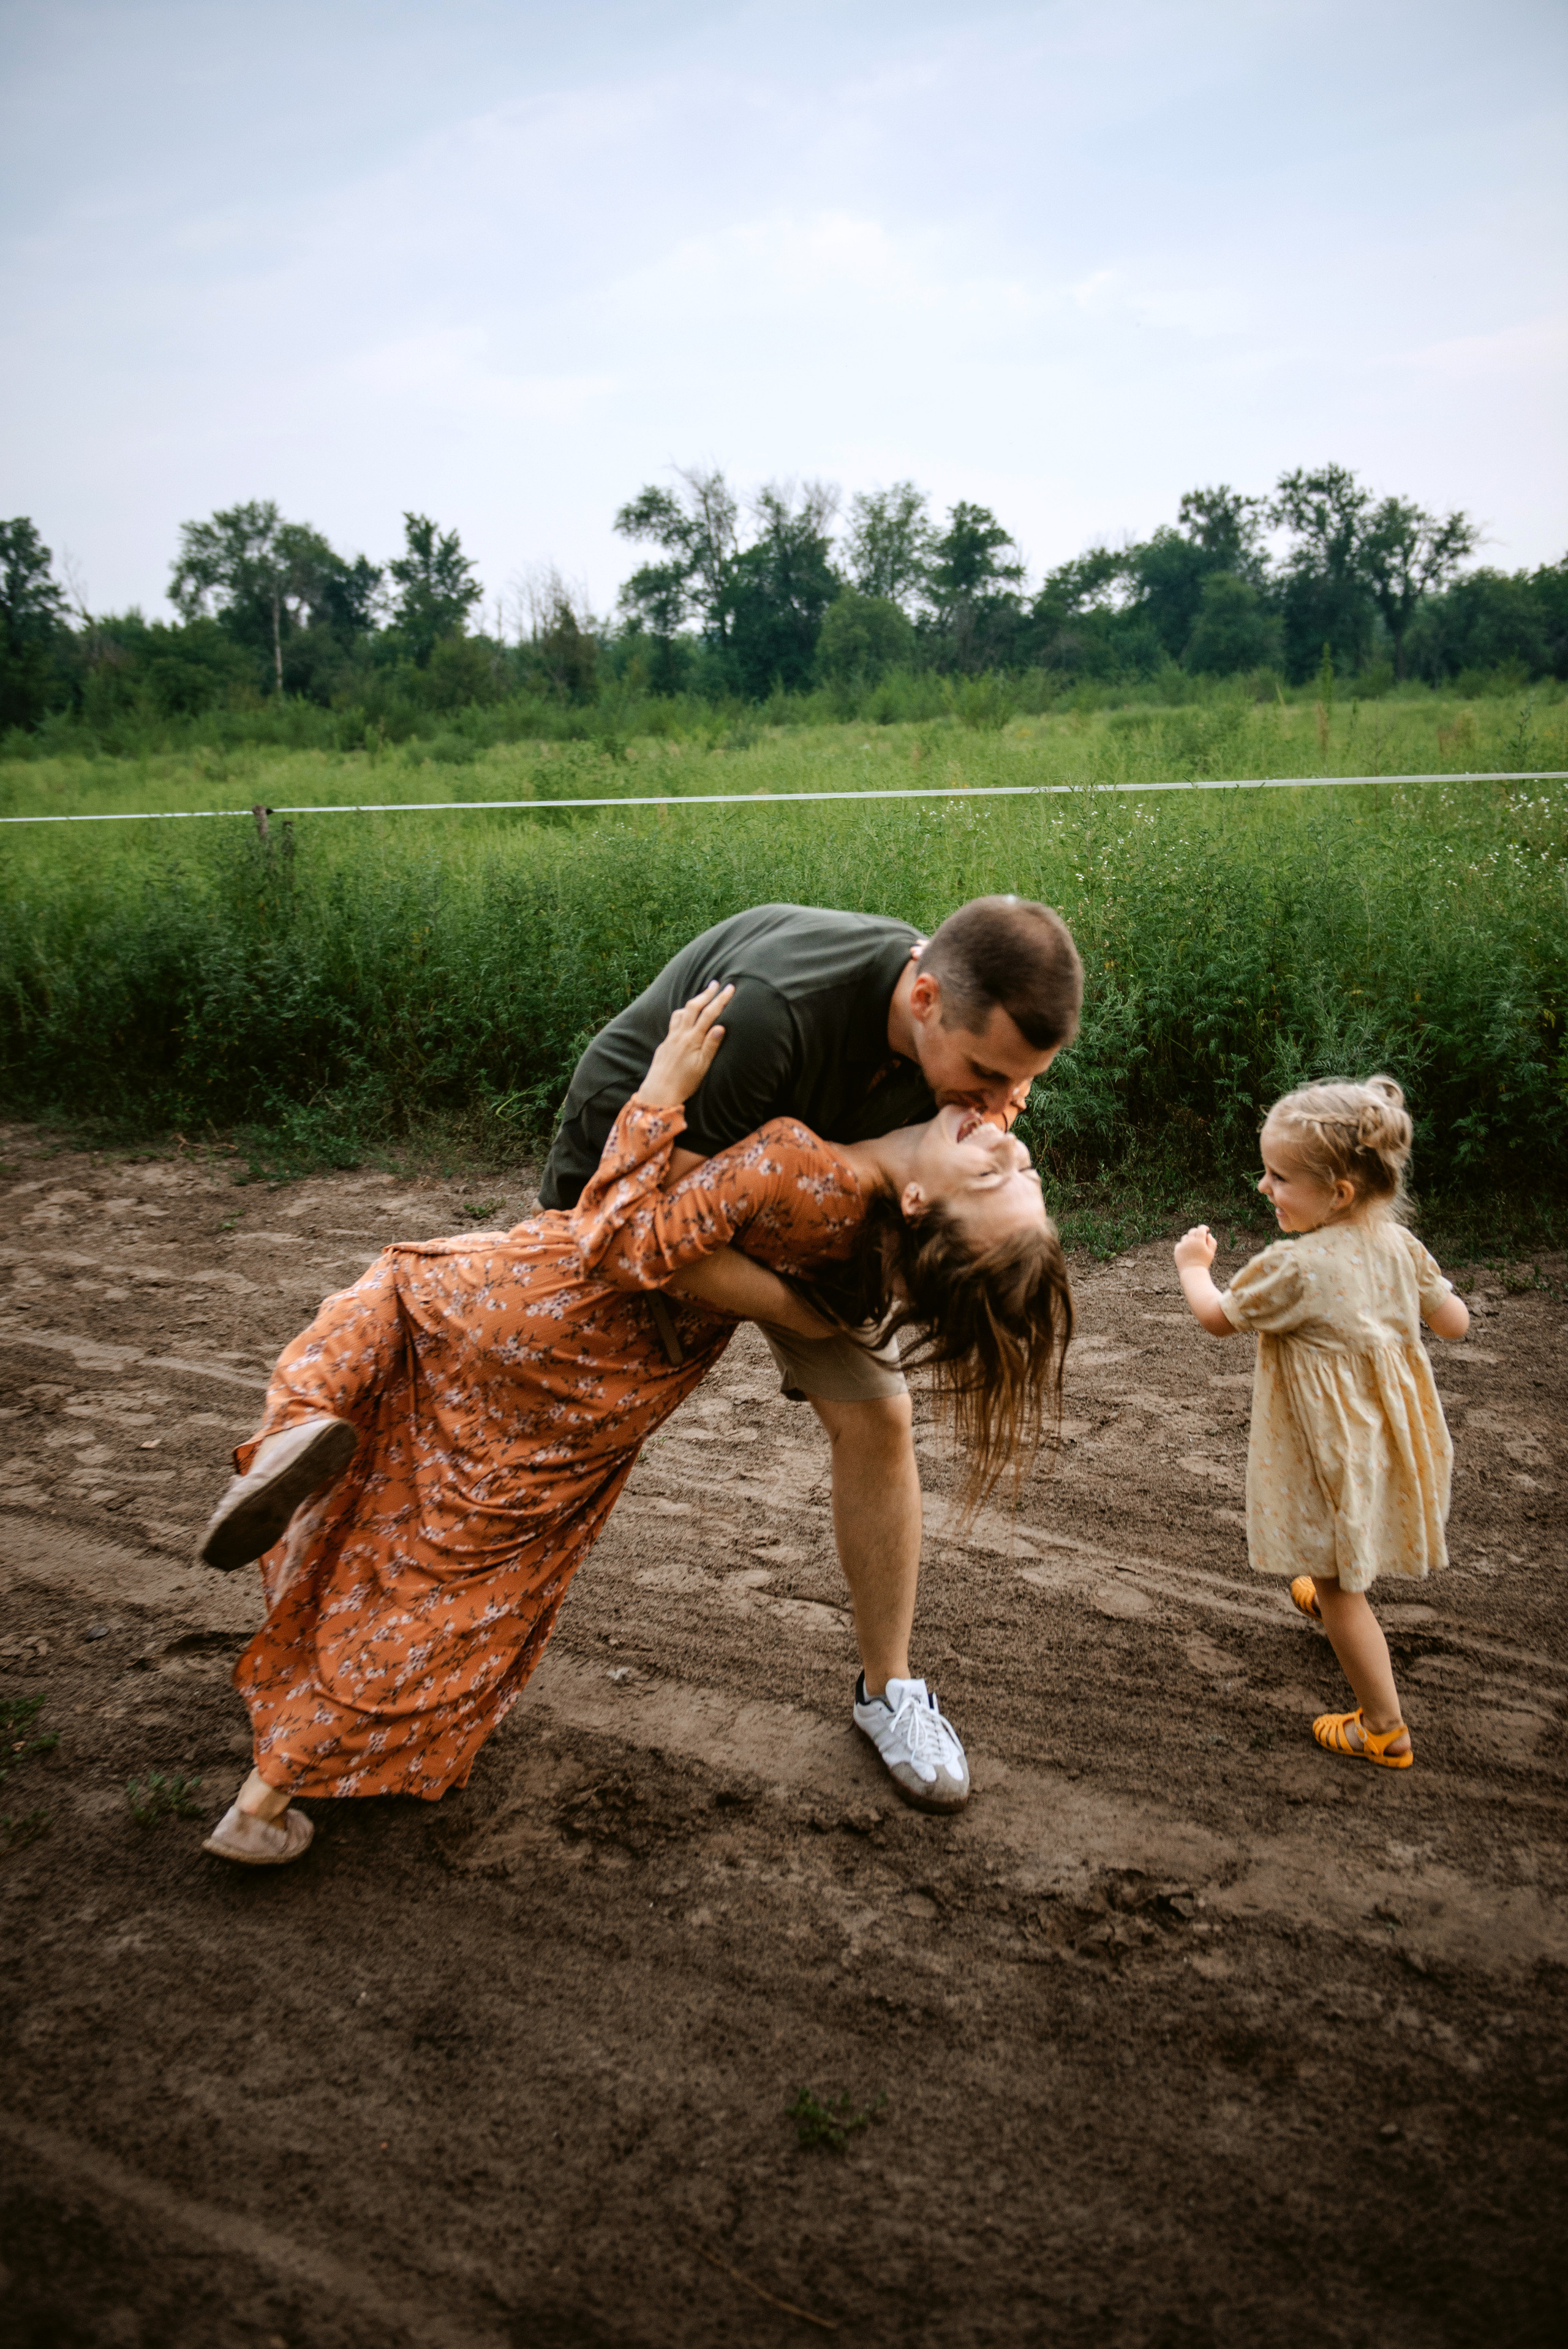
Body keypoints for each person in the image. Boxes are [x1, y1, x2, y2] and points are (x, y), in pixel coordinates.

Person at [196, 985, 1072, 1866]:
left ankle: (300, 1421)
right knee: (454, 1570)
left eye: (998, 1174)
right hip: (616, 1393)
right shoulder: (866, 1270)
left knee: (385, 1301)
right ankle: (268, 1792)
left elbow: (613, 1237)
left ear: (921, 1204)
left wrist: (657, 1094)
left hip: (537, 1303)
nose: (1005, 1137)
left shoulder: (790, 1156)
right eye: (1024, 1164)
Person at [537, 896, 1083, 1806]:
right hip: (639, 1189)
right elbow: (668, 1227)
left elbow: (915, 1182)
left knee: (879, 1417)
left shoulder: (969, 1048)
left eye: (1020, 1084)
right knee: (555, 1430)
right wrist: (813, 1311)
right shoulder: (773, 1010)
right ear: (923, 995)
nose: (1000, 1108)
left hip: (809, 1205)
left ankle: (891, 1691)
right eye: (986, 1075)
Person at [1172, 1075, 1469, 1769]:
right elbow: (1453, 1323)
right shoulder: (1400, 1245)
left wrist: (1192, 1267)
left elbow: (1217, 1320)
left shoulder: (1294, 1267)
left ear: (1337, 1191)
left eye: (1278, 1176)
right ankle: (1335, 1581)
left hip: (1331, 1445)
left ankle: (1383, 1727)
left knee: (1340, 1592)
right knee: (1344, 1533)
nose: (1263, 1187)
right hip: (1388, 1438)